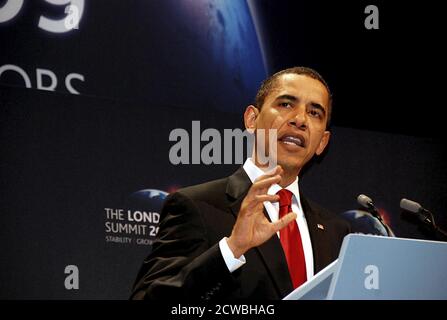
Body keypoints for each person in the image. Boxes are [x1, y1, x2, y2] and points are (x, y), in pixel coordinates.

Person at [131, 66, 351, 300]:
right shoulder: (198, 206)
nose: (300, 120)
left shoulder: (337, 233)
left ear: (322, 142)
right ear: (252, 119)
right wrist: (231, 249)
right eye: (286, 104)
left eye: (315, 113)